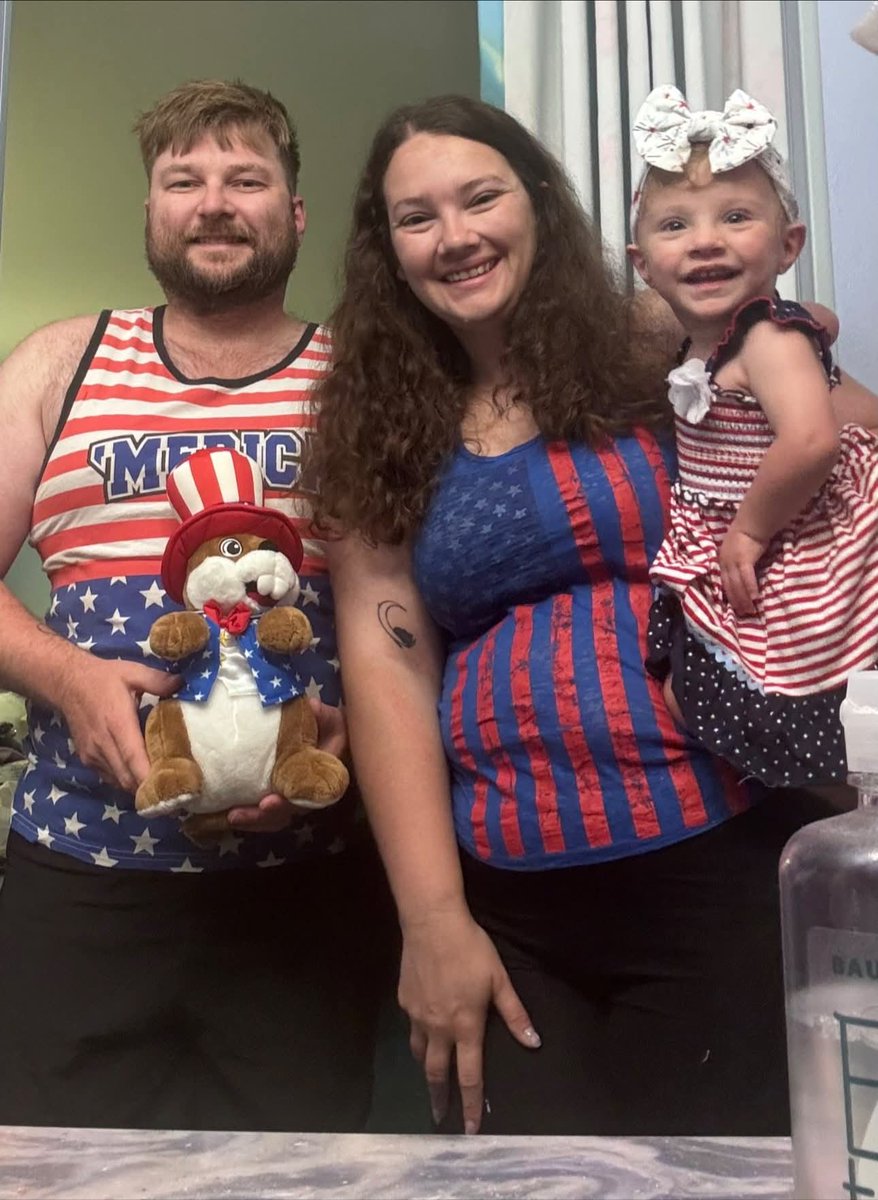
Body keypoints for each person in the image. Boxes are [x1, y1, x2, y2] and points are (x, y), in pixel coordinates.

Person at [307, 93, 878, 1138]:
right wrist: (431, 922)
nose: (456, 236)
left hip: (726, 854)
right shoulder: (373, 420)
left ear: (540, 206)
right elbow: (383, 660)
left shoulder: (660, 342)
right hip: (507, 905)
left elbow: (847, 458)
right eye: (416, 217)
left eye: (481, 197)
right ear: (385, 251)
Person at [0, 79, 393, 1132]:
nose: (215, 202)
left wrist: (357, 739)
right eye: (185, 180)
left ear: (294, 214)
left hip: (304, 889)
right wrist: (67, 673)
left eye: (246, 179)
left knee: (297, 1172)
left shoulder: (357, 377)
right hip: (81, 879)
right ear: (150, 211)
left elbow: (407, 615)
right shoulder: (57, 363)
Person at [627, 85, 878, 788]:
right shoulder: (700, 345)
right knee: (695, 688)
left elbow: (809, 441)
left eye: (736, 217)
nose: (705, 240)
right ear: (643, 263)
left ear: (787, 245)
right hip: (750, 527)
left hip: (795, 531)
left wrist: (746, 534)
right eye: (674, 226)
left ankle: (842, 802)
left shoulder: (767, 332)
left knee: (808, 688)